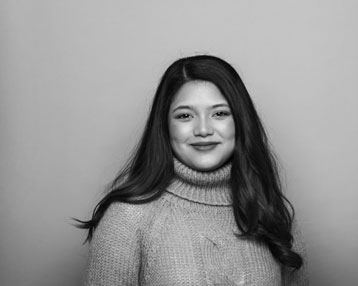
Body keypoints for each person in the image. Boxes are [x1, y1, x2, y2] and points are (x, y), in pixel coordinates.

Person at [76, 55, 309, 285]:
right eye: (185, 116)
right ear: (165, 126)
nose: (203, 129)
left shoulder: (273, 211)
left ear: (240, 121)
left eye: (219, 113)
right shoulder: (127, 218)